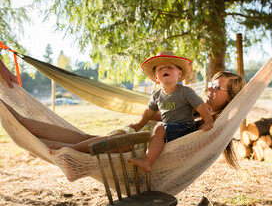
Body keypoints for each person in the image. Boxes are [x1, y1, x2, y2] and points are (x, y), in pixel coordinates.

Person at [0, 58, 245, 168]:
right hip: (138, 137)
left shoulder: (214, 124)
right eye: (210, 84)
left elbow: (180, 143)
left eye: (217, 87)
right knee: (80, 138)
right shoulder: (193, 109)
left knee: (81, 143)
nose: (210, 89)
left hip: (137, 147)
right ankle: (21, 124)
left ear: (231, 97)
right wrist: (143, 120)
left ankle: (47, 145)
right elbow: (166, 114)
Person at [126, 51, 213, 172]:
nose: (165, 69)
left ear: (179, 73)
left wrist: (208, 120)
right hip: (168, 130)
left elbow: (201, 106)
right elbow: (149, 112)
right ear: (156, 78)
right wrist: (139, 125)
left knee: (159, 127)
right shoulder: (156, 94)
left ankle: (148, 161)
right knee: (156, 129)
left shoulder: (185, 92)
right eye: (160, 68)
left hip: (185, 129)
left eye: (170, 67)